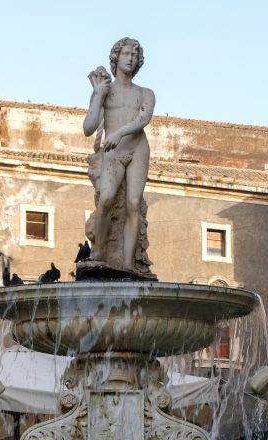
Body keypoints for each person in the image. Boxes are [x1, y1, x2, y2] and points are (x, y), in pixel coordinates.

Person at [83, 37, 155, 273]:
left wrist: (119, 133)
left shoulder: (145, 93)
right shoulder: (105, 89)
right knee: (106, 199)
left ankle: (128, 264)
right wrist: (98, 96)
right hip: (113, 152)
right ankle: (98, 252)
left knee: (133, 204)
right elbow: (88, 128)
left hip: (137, 149)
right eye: (126, 54)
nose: (131, 59)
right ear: (116, 57)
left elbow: (143, 120)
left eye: (134, 55)